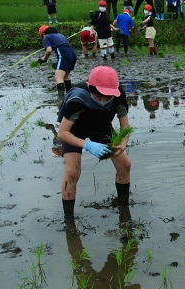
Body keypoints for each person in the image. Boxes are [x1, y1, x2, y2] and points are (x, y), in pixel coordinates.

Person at [56, 66, 131, 220]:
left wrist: (123, 144)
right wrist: (87, 145)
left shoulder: (119, 95)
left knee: (125, 164)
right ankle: (69, 219)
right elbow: (62, 133)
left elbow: (125, 127)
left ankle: (124, 209)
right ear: (90, 88)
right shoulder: (77, 99)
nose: (103, 101)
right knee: (72, 172)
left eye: (107, 98)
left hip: (101, 127)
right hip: (74, 130)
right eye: (98, 97)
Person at [38, 26, 77, 102]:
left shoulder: (46, 37)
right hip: (72, 54)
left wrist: (44, 59)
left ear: (43, 34)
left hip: (64, 55)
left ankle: (61, 100)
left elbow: (49, 50)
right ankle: (69, 97)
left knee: (58, 78)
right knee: (65, 76)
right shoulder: (59, 35)